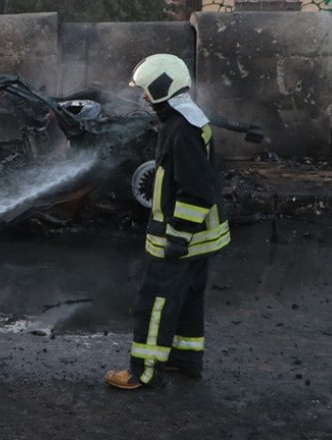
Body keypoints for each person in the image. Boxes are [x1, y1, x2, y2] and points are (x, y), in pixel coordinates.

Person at [104, 54, 230, 390]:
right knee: (187, 299)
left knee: (155, 302)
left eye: (146, 90)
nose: (144, 97)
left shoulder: (181, 129)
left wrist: (177, 235)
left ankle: (142, 371)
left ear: (163, 88)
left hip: (181, 237)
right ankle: (185, 360)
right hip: (203, 237)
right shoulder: (187, 118)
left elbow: (196, 188)